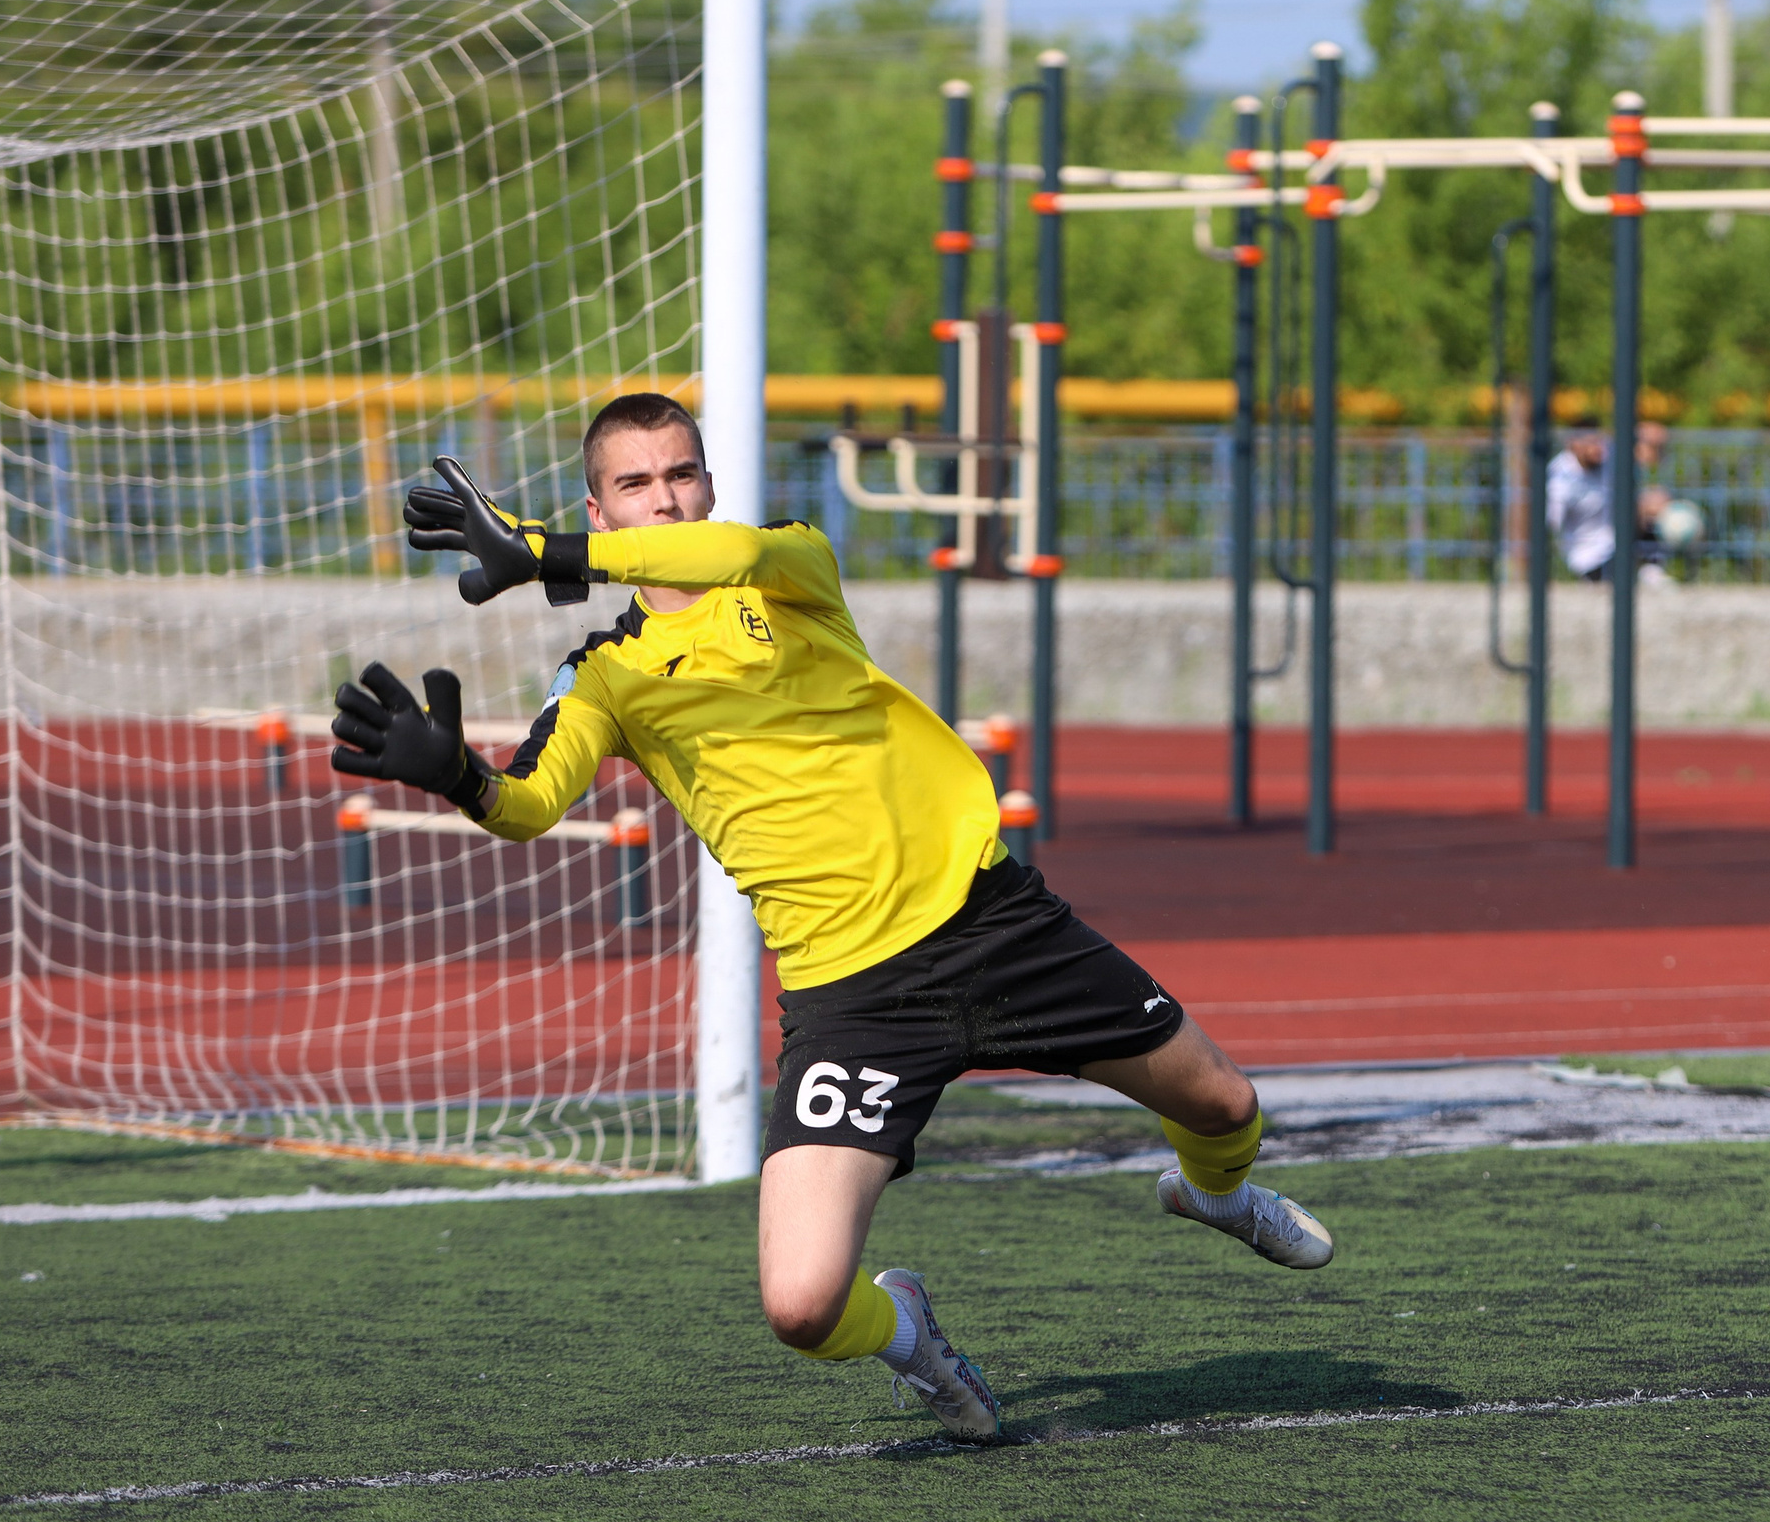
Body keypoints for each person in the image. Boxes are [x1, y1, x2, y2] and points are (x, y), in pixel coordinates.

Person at [327, 393, 1331, 1445]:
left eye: (681, 472)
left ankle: (1214, 1196)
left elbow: (716, 549)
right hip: (854, 998)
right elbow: (529, 804)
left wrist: (541, 548)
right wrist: (457, 777)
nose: (664, 496)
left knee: (1223, 1107)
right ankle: (913, 1337)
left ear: (708, 486)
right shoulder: (603, 673)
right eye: (635, 483)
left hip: (990, 922)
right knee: (801, 1305)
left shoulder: (782, 565)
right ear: (602, 506)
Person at [1545, 417, 1676, 583]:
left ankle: (1651, 566)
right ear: (1574, 444)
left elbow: (1642, 445)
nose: (1598, 448)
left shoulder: (1606, 457)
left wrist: (1651, 435)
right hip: (1589, 555)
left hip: (1616, 541)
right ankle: (1644, 570)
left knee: (1654, 500)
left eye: (1599, 441)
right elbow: (1553, 523)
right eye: (1591, 443)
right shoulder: (1561, 478)